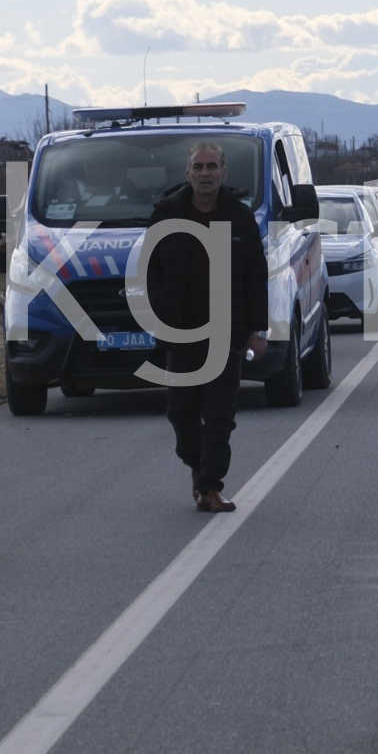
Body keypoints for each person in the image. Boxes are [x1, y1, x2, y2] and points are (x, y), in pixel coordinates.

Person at [144, 140, 269, 513]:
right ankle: (199, 469)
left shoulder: (239, 217)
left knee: (219, 416)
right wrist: (157, 315)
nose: (205, 174)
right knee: (180, 414)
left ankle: (211, 487)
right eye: (198, 168)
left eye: (212, 167)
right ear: (188, 173)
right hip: (181, 334)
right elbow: (150, 271)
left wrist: (258, 330)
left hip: (227, 332)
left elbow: (255, 277)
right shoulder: (166, 214)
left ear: (223, 172)